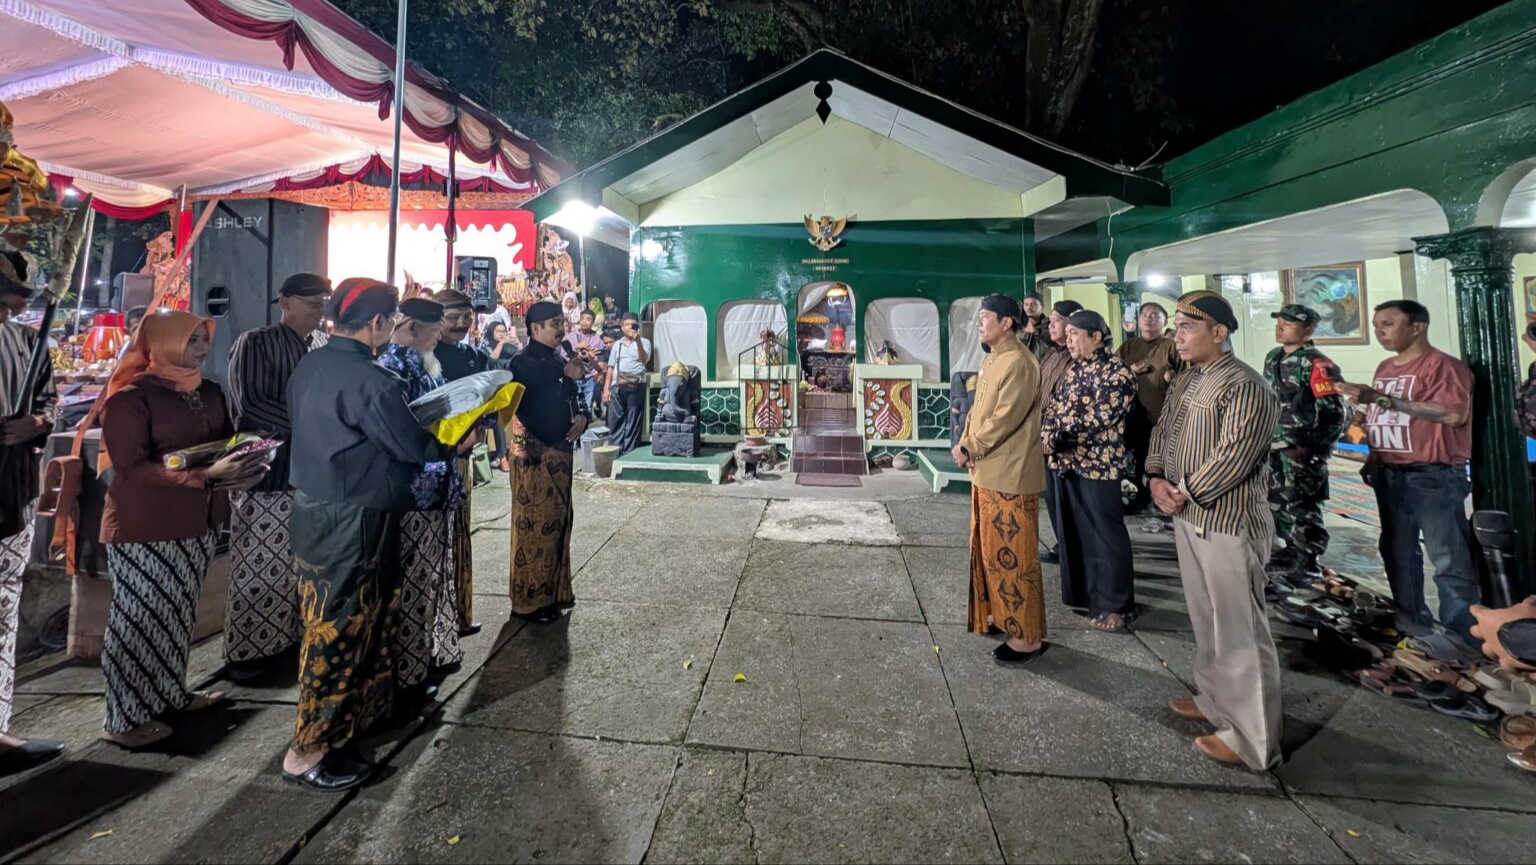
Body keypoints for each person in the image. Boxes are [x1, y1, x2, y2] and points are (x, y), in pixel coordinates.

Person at [281, 278, 461, 791]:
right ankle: (308, 750)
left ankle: (345, 727)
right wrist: (453, 441)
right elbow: (412, 446)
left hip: (314, 508)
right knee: (340, 630)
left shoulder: (311, 364)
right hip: (354, 518)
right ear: (380, 323)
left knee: (336, 622)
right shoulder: (373, 381)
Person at [98, 311, 269, 748]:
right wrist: (206, 477)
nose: (201, 345)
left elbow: (226, 442)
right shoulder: (130, 398)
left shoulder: (208, 390)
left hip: (200, 519)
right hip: (146, 525)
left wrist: (245, 461)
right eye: (191, 338)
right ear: (163, 342)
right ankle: (124, 718)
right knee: (139, 619)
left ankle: (169, 694)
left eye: (203, 337)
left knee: (175, 616)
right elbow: (131, 468)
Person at [1149, 290, 1281, 770]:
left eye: (1187, 327)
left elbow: (1236, 454)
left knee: (1239, 629)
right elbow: (1164, 431)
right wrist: (1156, 476)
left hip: (1227, 521)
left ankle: (1253, 739)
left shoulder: (1245, 385)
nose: (1176, 336)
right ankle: (1214, 702)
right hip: (1188, 516)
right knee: (1206, 619)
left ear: (1218, 332)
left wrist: (1183, 490)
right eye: (1177, 326)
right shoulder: (1189, 380)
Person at [1336, 300, 1478, 642]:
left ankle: (1462, 634)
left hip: (1432, 475)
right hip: (1391, 473)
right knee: (1398, 552)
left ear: (1417, 327)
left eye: (1388, 323)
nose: (1379, 331)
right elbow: (1380, 416)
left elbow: (1451, 415)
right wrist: (1374, 457)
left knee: (1447, 558)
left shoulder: (1444, 367)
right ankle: (1412, 624)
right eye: (1376, 325)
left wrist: (1382, 400)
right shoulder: (1386, 366)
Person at [222, 273, 331, 681]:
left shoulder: (322, 345)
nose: (318, 309)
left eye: (322, 302)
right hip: (268, 470)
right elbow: (251, 404)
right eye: (310, 302)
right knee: (259, 562)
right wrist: (312, 426)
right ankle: (247, 655)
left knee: (298, 566)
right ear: (284, 302)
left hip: (310, 472)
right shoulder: (257, 342)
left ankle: (287, 643)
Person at [378, 299, 466, 690]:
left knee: (430, 578)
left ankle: (430, 654)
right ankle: (409, 672)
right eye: (434, 331)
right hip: (414, 493)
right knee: (411, 584)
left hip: (435, 487)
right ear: (411, 327)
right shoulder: (392, 368)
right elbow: (404, 436)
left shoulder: (425, 363)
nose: (439, 338)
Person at [955, 295, 1047, 665]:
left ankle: (1026, 638)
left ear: (1007, 322)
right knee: (989, 554)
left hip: (1010, 474)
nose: (980, 323)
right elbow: (978, 412)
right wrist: (964, 443)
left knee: (1014, 559)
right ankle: (1000, 615)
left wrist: (970, 446)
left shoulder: (1020, 363)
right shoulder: (993, 358)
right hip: (987, 472)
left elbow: (1004, 420)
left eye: (985, 317)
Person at [0, 256, 65, 775]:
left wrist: (35, 424)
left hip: (12, 496)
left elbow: (50, 401)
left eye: (12, 304)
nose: (7, 313)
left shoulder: (25, 341)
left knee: (2, 619)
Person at [1042, 310, 1138, 632]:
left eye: (1074, 334)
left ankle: (1116, 605)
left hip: (1099, 467)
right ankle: (1086, 596)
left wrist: (1054, 437)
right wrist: (1050, 432)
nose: (1068, 340)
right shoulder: (1074, 371)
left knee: (1105, 537)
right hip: (1067, 463)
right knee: (1077, 534)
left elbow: (1098, 419)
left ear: (1096, 337)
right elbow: (1056, 408)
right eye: (1066, 334)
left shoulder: (1117, 374)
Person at [507, 301, 590, 623]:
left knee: (558, 526)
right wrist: (567, 380)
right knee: (534, 530)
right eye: (554, 323)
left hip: (560, 452)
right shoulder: (522, 363)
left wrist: (583, 415)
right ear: (534, 328)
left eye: (561, 323)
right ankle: (527, 603)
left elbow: (574, 396)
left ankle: (553, 593)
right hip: (535, 457)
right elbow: (535, 408)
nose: (561, 329)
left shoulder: (556, 358)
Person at [1263, 304, 1348, 585]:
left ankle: (1308, 560)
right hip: (1275, 443)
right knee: (1278, 501)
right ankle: (1289, 550)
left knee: (1304, 504)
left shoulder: (1317, 364)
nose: (1281, 327)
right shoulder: (1273, 357)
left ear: (1308, 329)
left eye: (1288, 323)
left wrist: (1315, 448)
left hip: (1302, 447)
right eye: (1280, 322)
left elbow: (1334, 411)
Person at [431, 289, 492, 637]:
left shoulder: (475, 356)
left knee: (460, 533)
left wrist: (480, 430)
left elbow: (488, 399)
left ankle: (461, 613)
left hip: (464, 458)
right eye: (452, 318)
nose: (460, 325)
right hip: (433, 459)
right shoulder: (423, 357)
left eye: (466, 318)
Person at [1116, 302, 1183, 514]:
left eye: (1155, 315)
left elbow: (1187, 378)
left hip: (1161, 417)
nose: (1148, 319)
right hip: (1132, 415)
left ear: (1165, 321)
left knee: (1157, 461)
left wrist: (1172, 378)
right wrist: (1130, 371)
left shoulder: (1171, 347)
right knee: (1133, 460)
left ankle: (1162, 499)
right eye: (1144, 315)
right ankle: (1138, 497)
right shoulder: (1129, 347)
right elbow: (1112, 375)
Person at [1038, 299, 1082, 564]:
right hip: (1044, 434)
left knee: (1066, 498)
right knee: (1053, 497)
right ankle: (1062, 543)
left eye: (1056, 320)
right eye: (1051, 320)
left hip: (1062, 438)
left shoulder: (1074, 359)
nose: (1051, 324)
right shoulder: (1053, 354)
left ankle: (1071, 547)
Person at [605, 312, 651, 455]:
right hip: (617, 384)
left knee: (633, 418)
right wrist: (606, 389)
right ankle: (616, 449)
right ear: (622, 327)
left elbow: (644, 360)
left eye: (633, 325)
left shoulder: (644, 342)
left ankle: (629, 452)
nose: (630, 327)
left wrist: (637, 341)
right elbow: (610, 367)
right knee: (616, 418)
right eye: (626, 325)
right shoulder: (617, 345)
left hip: (636, 384)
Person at [481, 320, 519, 471]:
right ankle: (502, 456)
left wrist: (519, 346)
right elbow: (491, 360)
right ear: (491, 332)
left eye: (504, 331)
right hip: (492, 389)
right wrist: (501, 343)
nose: (502, 334)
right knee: (498, 420)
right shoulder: (485, 346)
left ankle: (510, 452)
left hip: (508, 386)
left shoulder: (510, 347)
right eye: (498, 331)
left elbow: (518, 360)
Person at [564, 309, 605, 412]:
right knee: (573, 408)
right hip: (573, 377)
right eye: (582, 319)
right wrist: (577, 347)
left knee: (587, 409)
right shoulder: (570, 337)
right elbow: (563, 356)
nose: (584, 321)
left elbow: (601, 363)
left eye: (588, 319)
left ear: (593, 322)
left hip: (590, 378)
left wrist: (591, 357)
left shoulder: (598, 340)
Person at [1019, 292, 1052, 361]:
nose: (1029, 307)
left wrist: (1037, 332)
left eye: (1033, 304)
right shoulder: (1018, 327)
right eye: (1026, 304)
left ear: (1042, 307)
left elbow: (1054, 342)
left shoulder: (1050, 325)